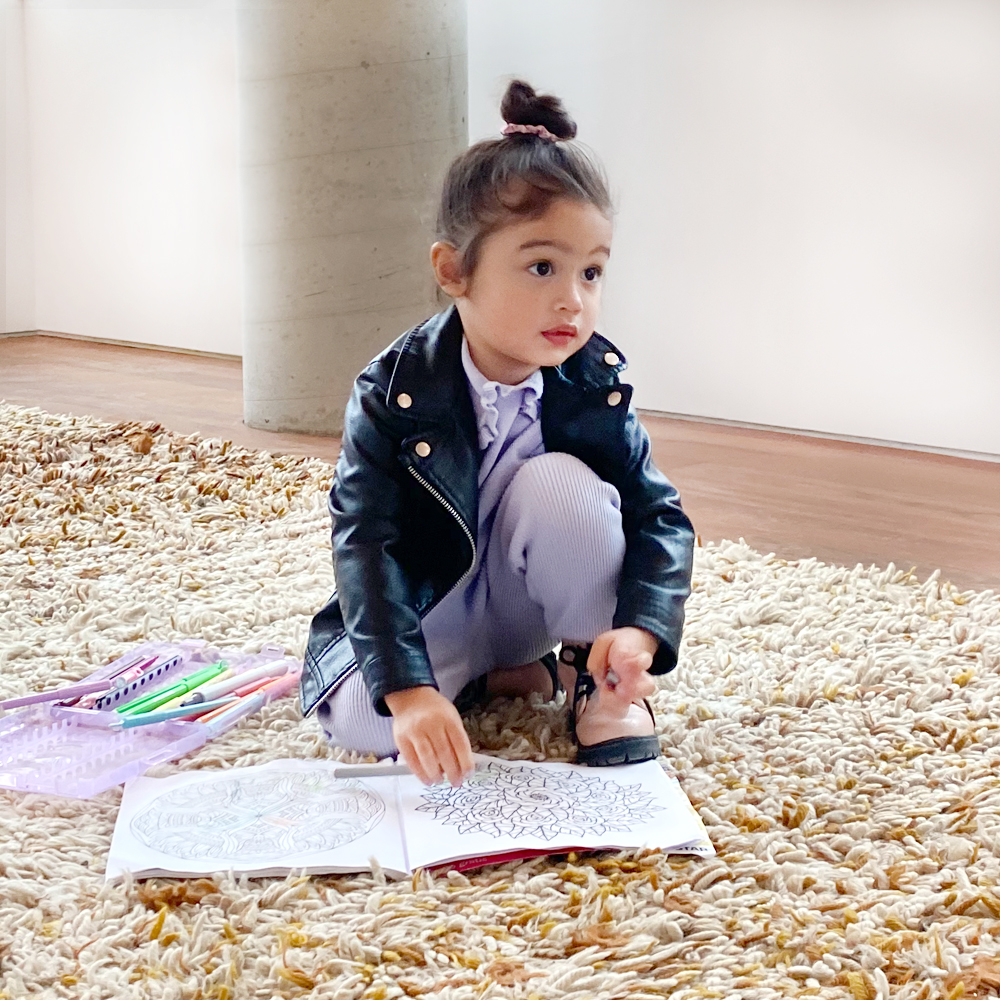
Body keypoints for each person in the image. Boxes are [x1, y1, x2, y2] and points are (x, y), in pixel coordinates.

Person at [301, 79, 694, 788]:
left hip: (530, 600)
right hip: (437, 609)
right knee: (364, 716)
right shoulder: (392, 391)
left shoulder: (593, 381)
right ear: (454, 270)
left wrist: (638, 630)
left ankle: (586, 678)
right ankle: (484, 677)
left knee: (563, 488)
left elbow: (657, 515)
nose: (572, 299)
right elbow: (366, 543)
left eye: (591, 272)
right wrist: (411, 691)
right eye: (542, 266)